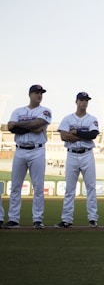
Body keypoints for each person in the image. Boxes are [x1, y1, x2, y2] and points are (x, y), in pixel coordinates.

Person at [5, 84, 52, 229]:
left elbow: (39, 123)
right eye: (36, 93)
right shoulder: (18, 110)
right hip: (20, 150)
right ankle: (13, 219)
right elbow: (10, 127)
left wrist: (20, 126)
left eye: (41, 93)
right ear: (30, 94)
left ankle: (37, 218)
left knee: (38, 186)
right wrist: (31, 127)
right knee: (15, 186)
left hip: (37, 150)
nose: (39, 95)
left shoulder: (45, 110)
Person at [56, 92, 100, 228]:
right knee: (69, 188)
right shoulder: (67, 118)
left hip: (87, 154)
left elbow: (92, 134)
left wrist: (76, 133)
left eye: (86, 100)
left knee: (91, 187)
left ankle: (92, 218)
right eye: (82, 100)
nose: (84, 102)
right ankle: (66, 219)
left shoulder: (92, 118)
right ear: (76, 101)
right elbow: (64, 136)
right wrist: (82, 136)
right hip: (72, 154)